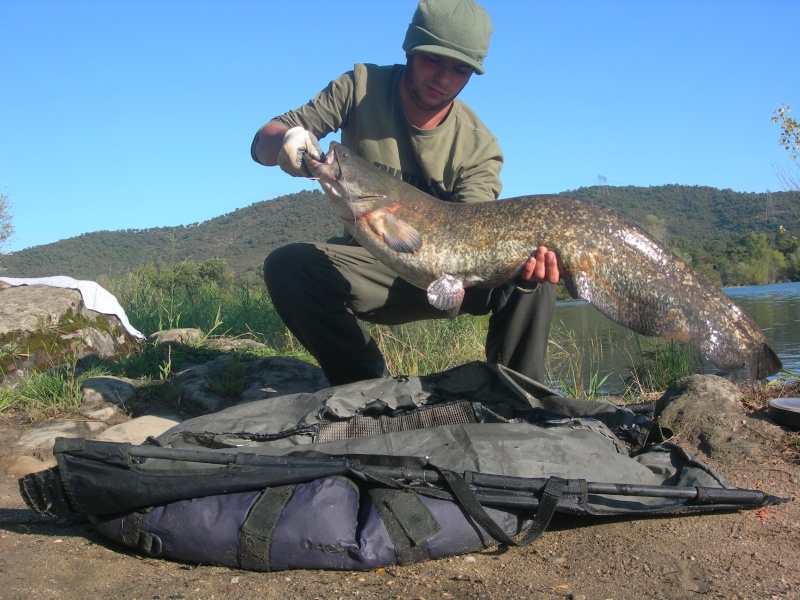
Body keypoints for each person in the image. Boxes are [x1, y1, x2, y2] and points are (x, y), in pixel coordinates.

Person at [251, 0, 559, 386]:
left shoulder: (479, 147)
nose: (442, 78)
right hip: (373, 263)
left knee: (533, 282)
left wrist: (522, 275)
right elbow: (263, 141)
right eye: (433, 60)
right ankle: (362, 385)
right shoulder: (359, 87)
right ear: (411, 50)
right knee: (288, 266)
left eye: (459, 69)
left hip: (453, 272)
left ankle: (516, 396)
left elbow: (474, 242)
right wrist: (288, 140)